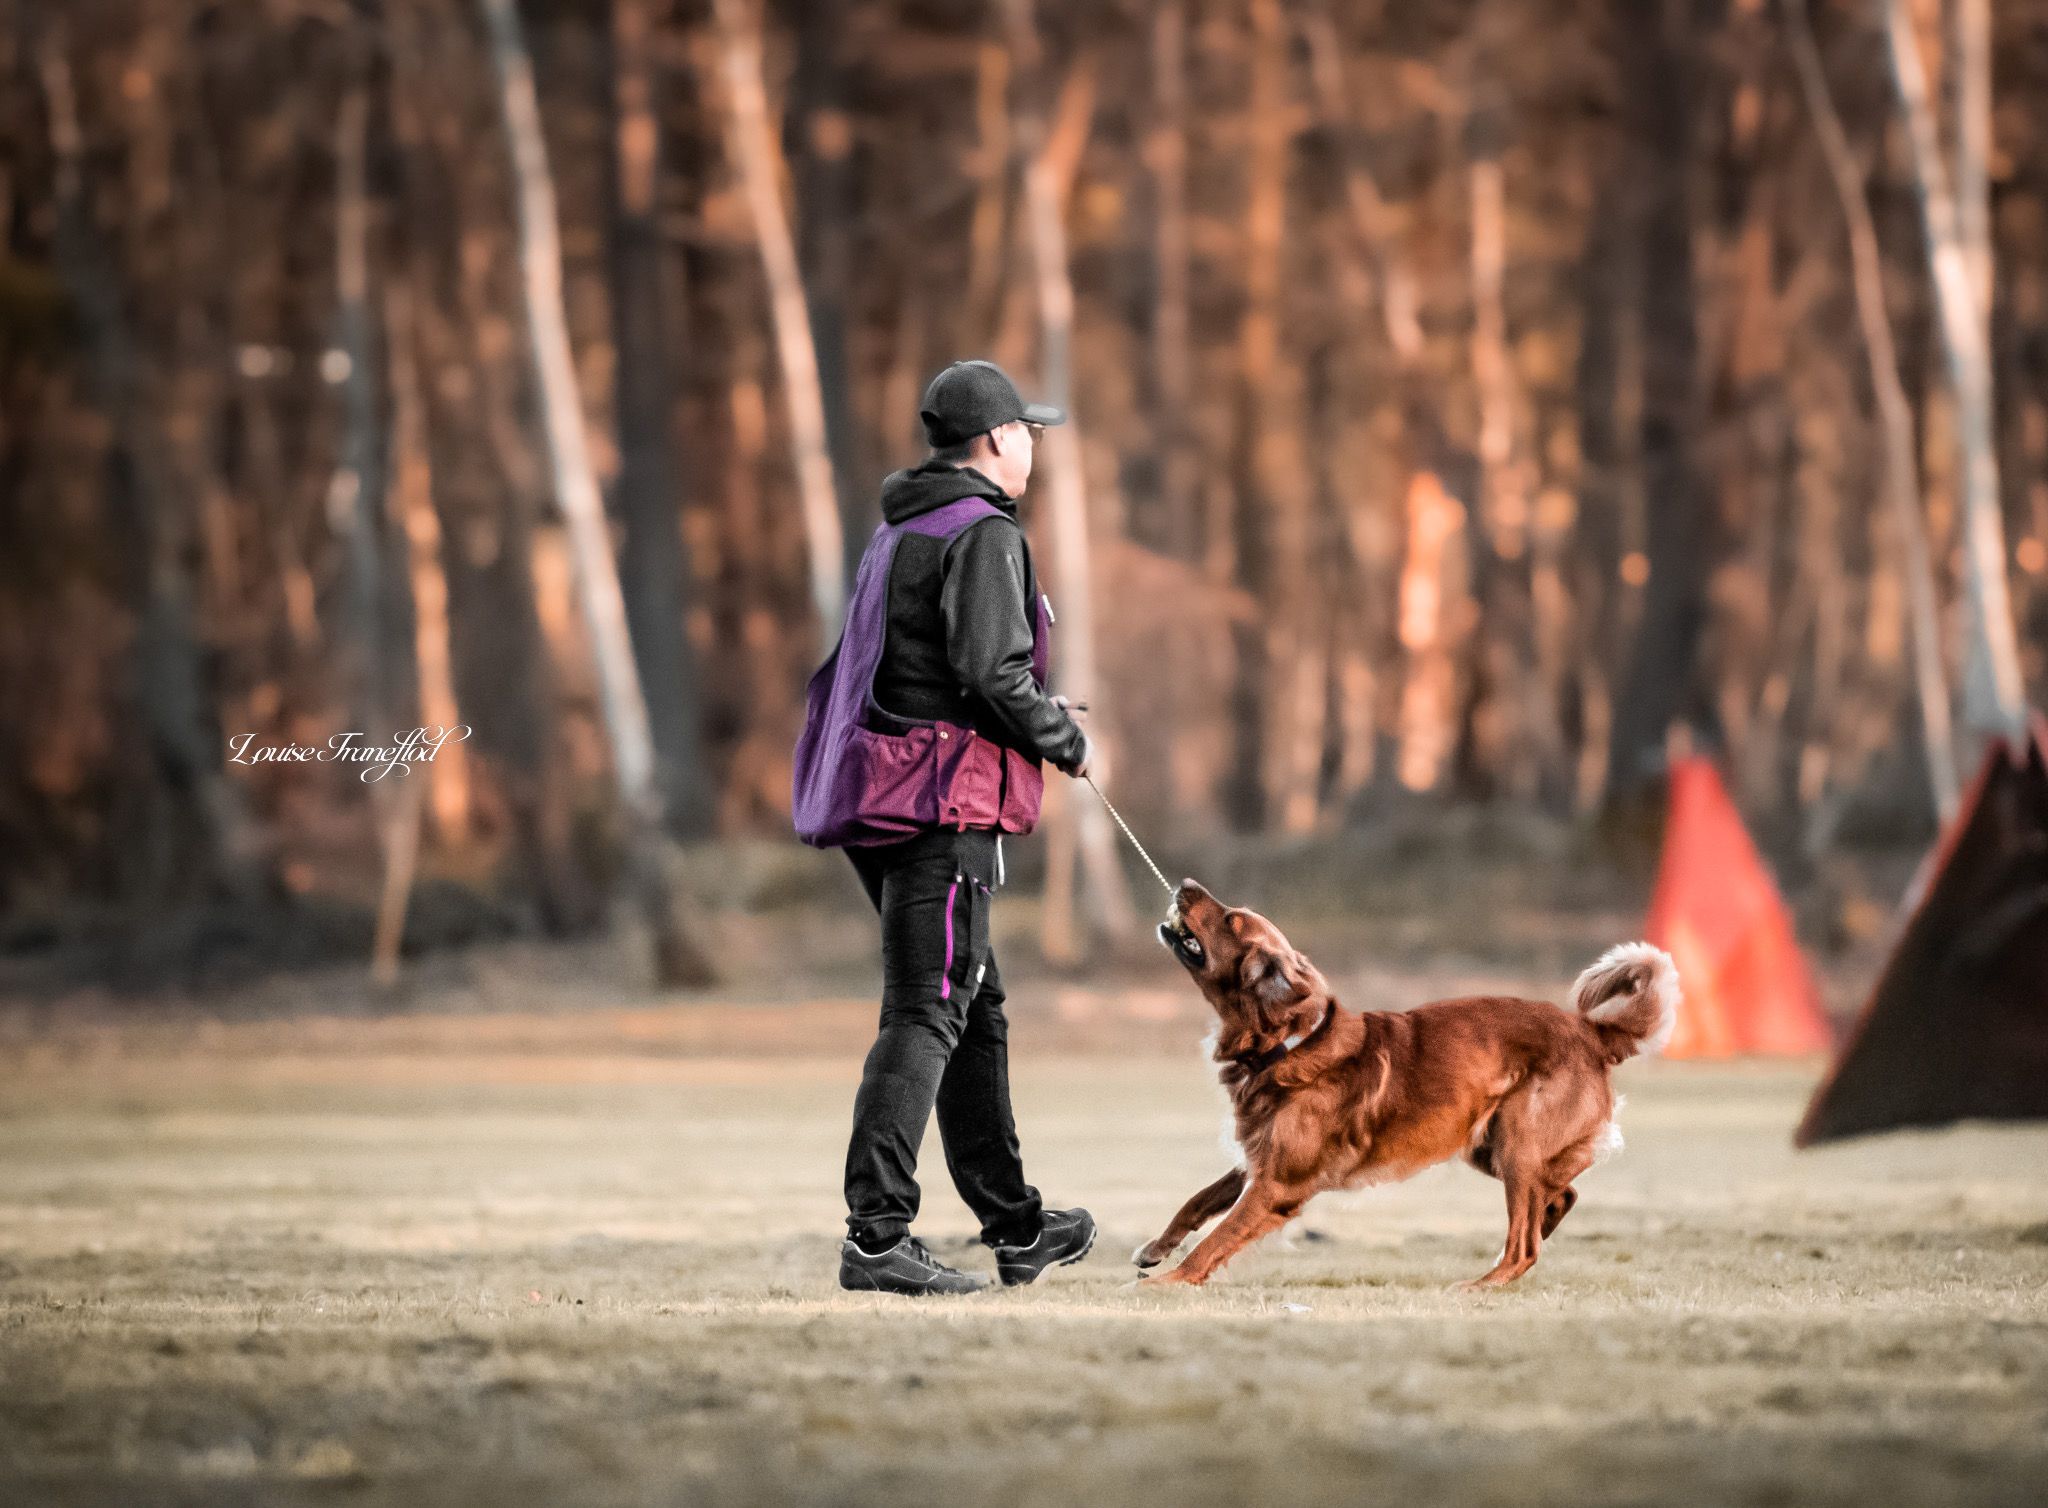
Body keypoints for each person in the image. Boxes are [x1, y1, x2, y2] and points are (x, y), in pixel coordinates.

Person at [794, 360, 1097, 1296]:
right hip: (942, 804)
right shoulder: (984, 534)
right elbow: (991, 673)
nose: (1033, 446)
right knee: (928, 1011)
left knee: (973, 1012)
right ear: (999, 439)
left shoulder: (905, 529)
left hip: (882, 799)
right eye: (1028, 433)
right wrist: (1069, 740)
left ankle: (1016, 1225)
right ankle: (877, 1237)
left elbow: (934, 666)